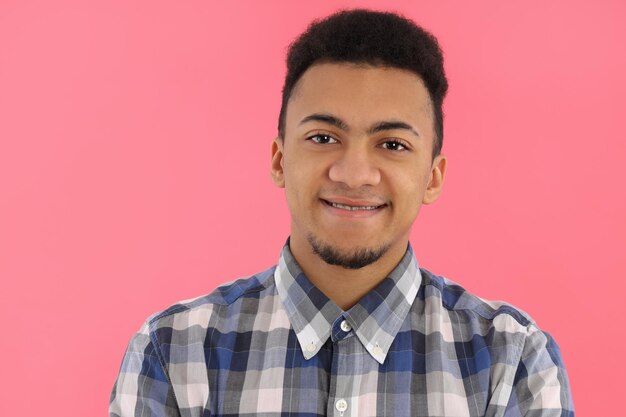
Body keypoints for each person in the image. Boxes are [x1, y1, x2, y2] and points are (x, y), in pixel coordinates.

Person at [109, 9, 574, 417]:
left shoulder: (511, 361)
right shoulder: (173, 354)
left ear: (432, 177)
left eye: (392, 145)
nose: (354, 174)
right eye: (323, 137)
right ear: (279, 160)